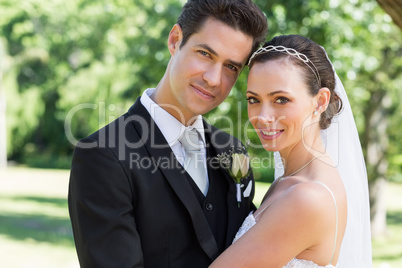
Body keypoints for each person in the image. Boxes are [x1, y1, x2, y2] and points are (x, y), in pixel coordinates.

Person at [68, 0, 268, 267]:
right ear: (175, 40)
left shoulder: (234, 152)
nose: (213, 78)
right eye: (205, 54)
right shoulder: (103, 156)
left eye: (231, 67)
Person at [210, 35, 372, 267]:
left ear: (320, 102)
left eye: (281, 99)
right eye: (253, 99)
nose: (263, 117)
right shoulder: (290, 181)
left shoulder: (307, 198)